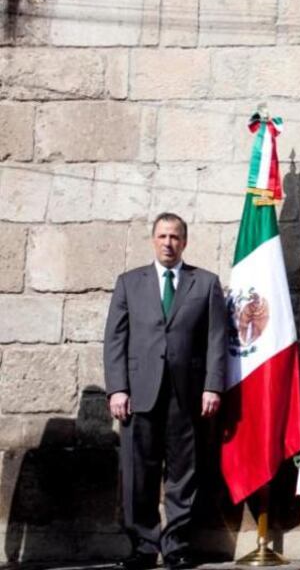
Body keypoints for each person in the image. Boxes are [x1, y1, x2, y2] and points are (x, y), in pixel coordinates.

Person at [104, 213, 227, 570]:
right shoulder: (129, 283)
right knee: (138, 471)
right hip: (138, 394)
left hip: (186, 394)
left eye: (175, 237)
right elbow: (116, 339)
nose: (168, 243)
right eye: (162, 236)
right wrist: (117, 388)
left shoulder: (204, 283)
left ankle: (176, 545)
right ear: (153, 240)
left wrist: (212, 385)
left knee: (183, 473)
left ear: (184, 242)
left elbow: (216, 339)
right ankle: (143, 546)